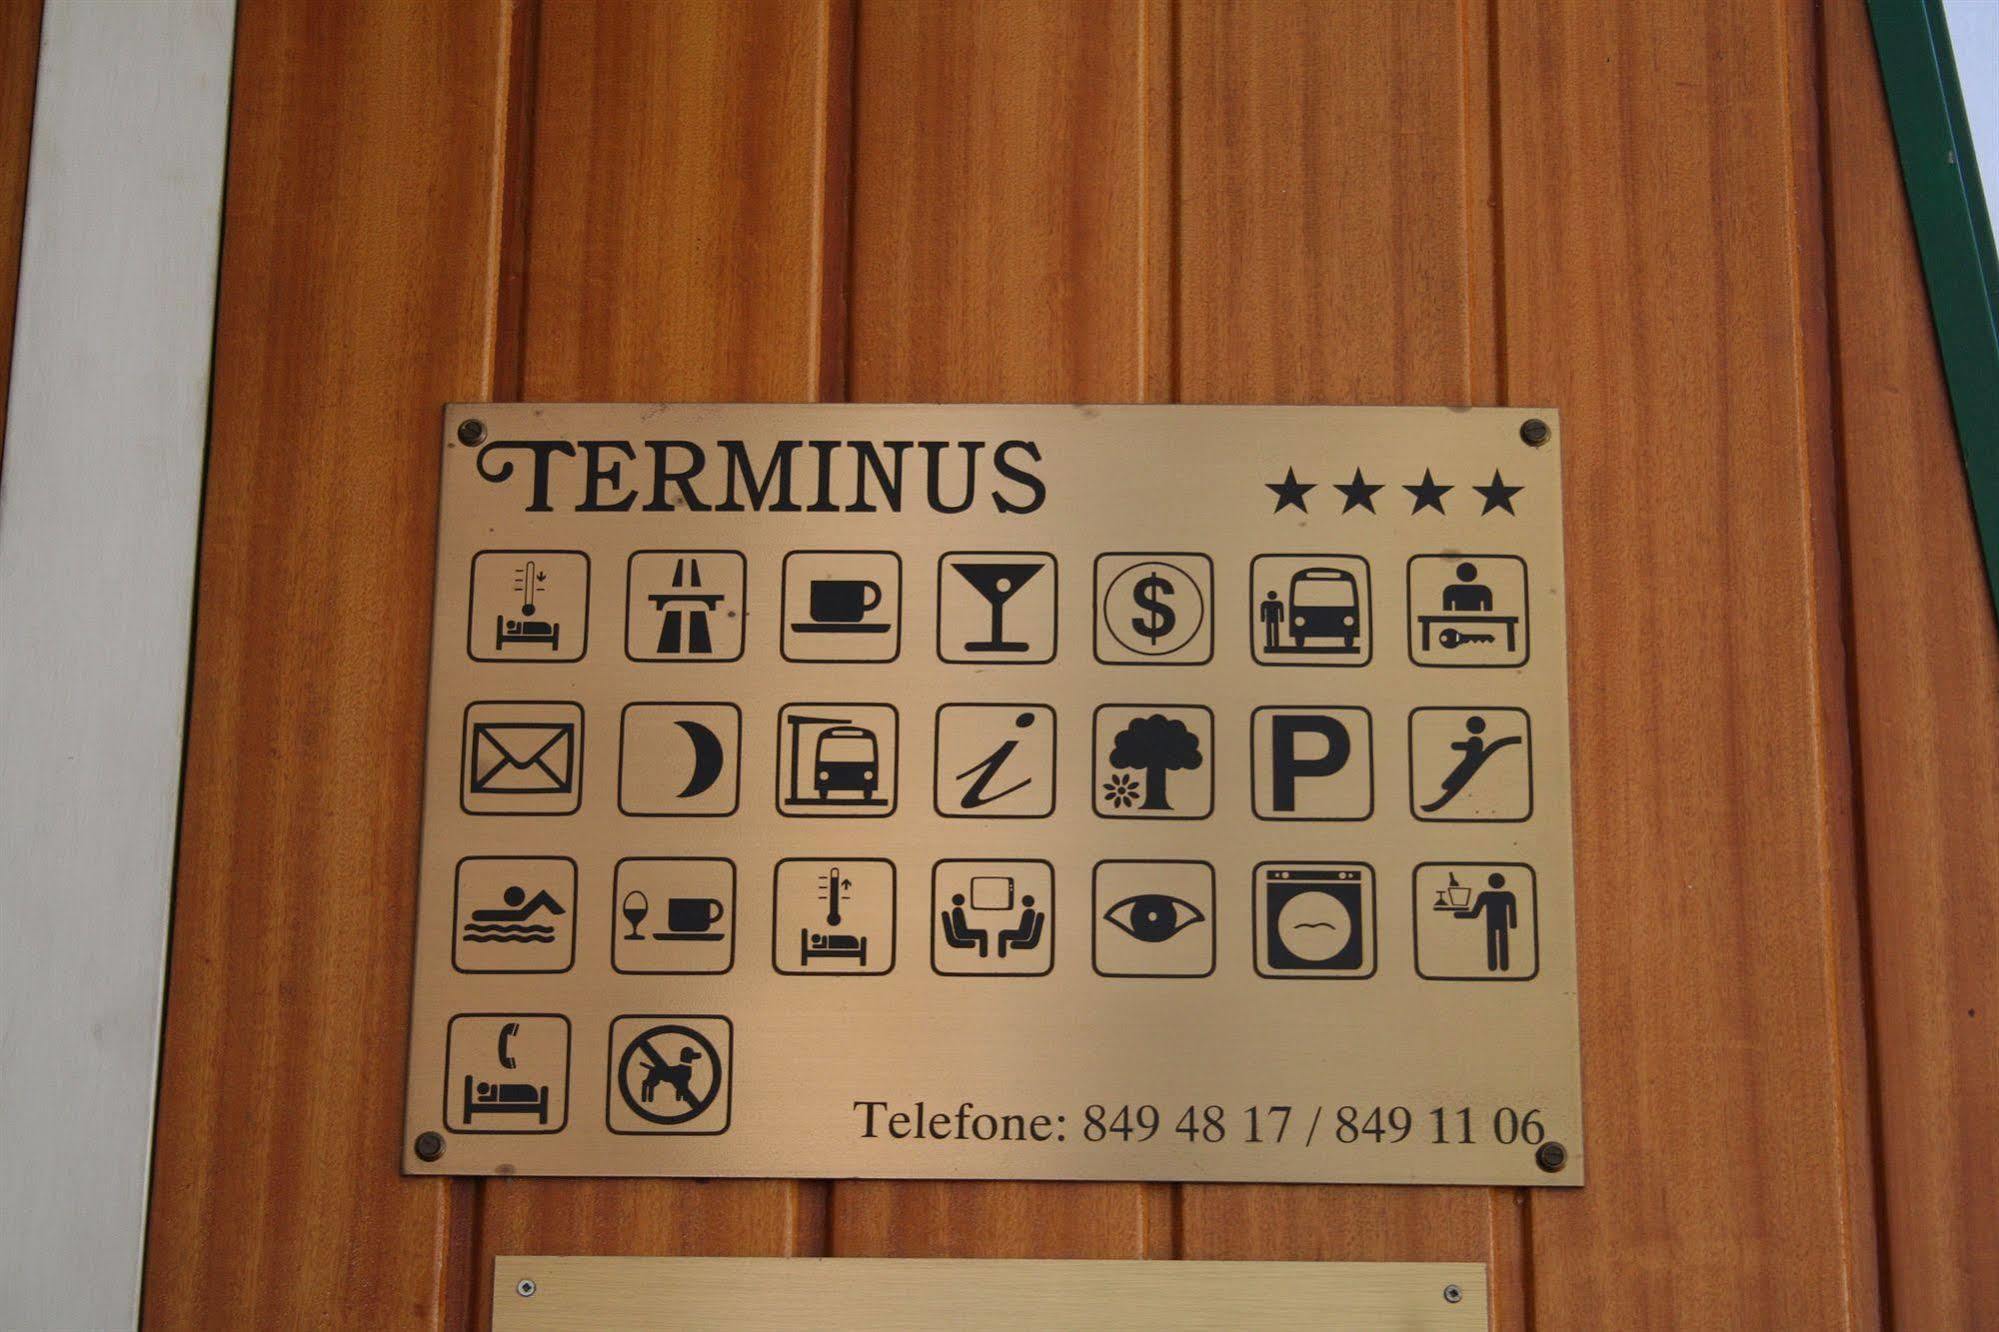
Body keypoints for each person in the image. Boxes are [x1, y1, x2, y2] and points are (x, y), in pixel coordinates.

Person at [1453, 871, 1518, 971]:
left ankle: (1494, 966)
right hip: (1501, 924)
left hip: (1492, 924)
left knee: (1493, 942)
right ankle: (1502, 966)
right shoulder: (1508, 895)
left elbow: (1474, 914)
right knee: (1501, 942)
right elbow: (1512, 913)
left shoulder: (1486, 895)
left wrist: (1458, 914)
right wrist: (1513, 924)